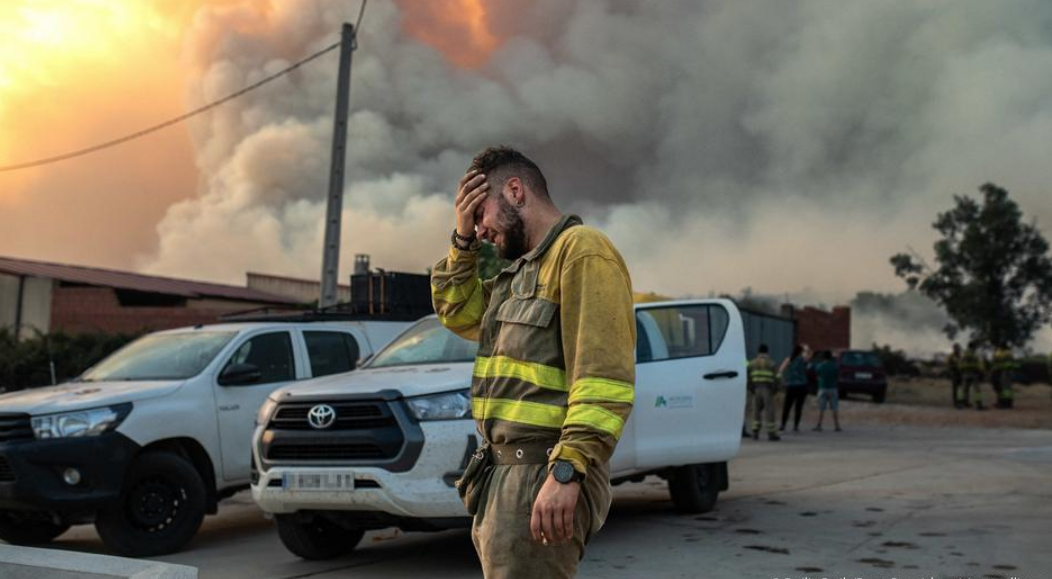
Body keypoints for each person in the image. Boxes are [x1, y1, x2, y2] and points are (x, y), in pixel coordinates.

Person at [430, 146, 635, 579]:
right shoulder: (520, 273)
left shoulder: (581, 251)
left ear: (516, 191)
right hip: (503, 476)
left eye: (480, 213)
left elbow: (603, 381)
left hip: (542, 471)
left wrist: (567, 470)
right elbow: (457, 311)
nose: (481, 228)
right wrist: (462, 240)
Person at [747, 344, 780, 441]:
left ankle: (755, 432)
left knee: (756, 411)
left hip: (756, 389)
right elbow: (777, 378)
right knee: (769, 411)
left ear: (758, 352)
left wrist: (751, 389)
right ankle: (771, 433)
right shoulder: (771, 363)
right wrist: (775, 390)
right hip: (767, 389)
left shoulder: (752, 363)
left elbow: (748, 379)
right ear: (767, 352)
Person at [779, 345, 809, 432]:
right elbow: (809, 356)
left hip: (791, 386)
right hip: (801, 386)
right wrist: (807, 349)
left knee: (787, 406)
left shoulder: (789, 359)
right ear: (801, 352)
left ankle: (783, 425)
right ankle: (796, 426)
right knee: (798, 407)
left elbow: (781, 370)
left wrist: (783, 382)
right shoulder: (803, 359)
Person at [813, 350, 841, 432]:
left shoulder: (820, 366)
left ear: (823, 357)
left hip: (822, 388)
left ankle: (819, 425)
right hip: (833, 388)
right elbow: (837, 377)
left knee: (821, 408)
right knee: (835, 408)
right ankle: (837, 426)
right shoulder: (835, 366)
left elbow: (817, 375)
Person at [959, 341, 987, 411]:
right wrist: (982, 371)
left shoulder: (964, 353)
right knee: (977, 389)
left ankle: (962, 403)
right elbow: (979, 363)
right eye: (975, 346)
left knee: (964, 389)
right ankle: (979, 404)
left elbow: (960, 362)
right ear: (974, 347)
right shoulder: (975, 354)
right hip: (974, 373)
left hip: (965, 373)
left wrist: (961, 370)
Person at [991, 344, 1016, 409]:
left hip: (1006, 371)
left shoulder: (1007, 353)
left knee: (1006, 388)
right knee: (1001, 387)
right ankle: (1002, 402)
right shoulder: (998, 352)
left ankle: (1007, 403)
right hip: (999, 371)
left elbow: (1009, 363)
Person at [947, 343, 963, 409]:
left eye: (959, 348)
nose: (958, 349)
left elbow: (962, 364)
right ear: (954, 349)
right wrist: (952, 369)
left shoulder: (961, 356)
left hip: (961, 374)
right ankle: (956, 402)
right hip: (954, 374)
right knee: (955, 389)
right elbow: (948, 365)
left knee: (960, 389)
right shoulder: (951, 356)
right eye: (957, 348)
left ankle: (960, 401)